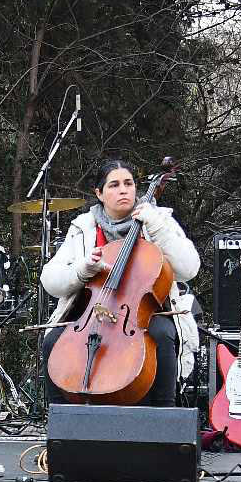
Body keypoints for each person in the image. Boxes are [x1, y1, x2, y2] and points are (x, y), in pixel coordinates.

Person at [41, 158, 199, 405]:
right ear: (99, 193)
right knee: (53, 340)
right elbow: (50, 280)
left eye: (128, 183)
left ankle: (164, 415)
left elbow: (189, 268)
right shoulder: (84, 227)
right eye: (114, 185)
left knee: (162, 335)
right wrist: (82, 270)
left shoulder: (159, 219)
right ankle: (60, 422)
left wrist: (156, 226)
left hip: (145, 316)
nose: (123, 189)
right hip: (94, 313)